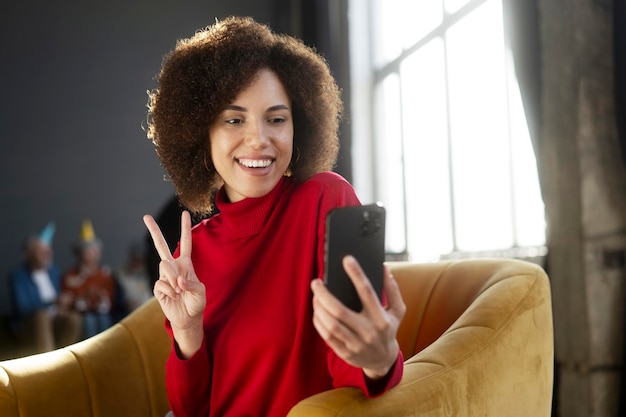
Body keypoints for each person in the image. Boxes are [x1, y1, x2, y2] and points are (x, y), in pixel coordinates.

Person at [143, 16, 406, 417]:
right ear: (202, 134)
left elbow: (356, 374)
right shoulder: (191, 254)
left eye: (276, 118)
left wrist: (379, 359)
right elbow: (189, 409)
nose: (259, 139)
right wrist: (187, 333)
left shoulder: (325, 198)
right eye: (234, 119)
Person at [9, 222, 82, 354]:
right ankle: (48, 363)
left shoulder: (54, 272)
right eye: (41, 252)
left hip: (55, 320)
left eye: (48, 251)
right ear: (29, 254)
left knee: (73, 318)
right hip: (29, 325)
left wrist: (62, 305)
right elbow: (23, 308)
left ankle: (66, 361)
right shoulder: (18, 276)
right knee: (41, 316)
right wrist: (52, 302)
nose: (46, 255)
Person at [61, 220, 117, 339]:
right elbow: (69, 303)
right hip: (83, 316)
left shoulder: (105, 275)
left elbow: (109, 302)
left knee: (104, 319)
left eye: (95, 250)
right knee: (89, 320)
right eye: (89, 250)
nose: (93, 254)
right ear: (80, 253)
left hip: (102, 315)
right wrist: (84, 298)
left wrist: (100, 299)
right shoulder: (70, 276)